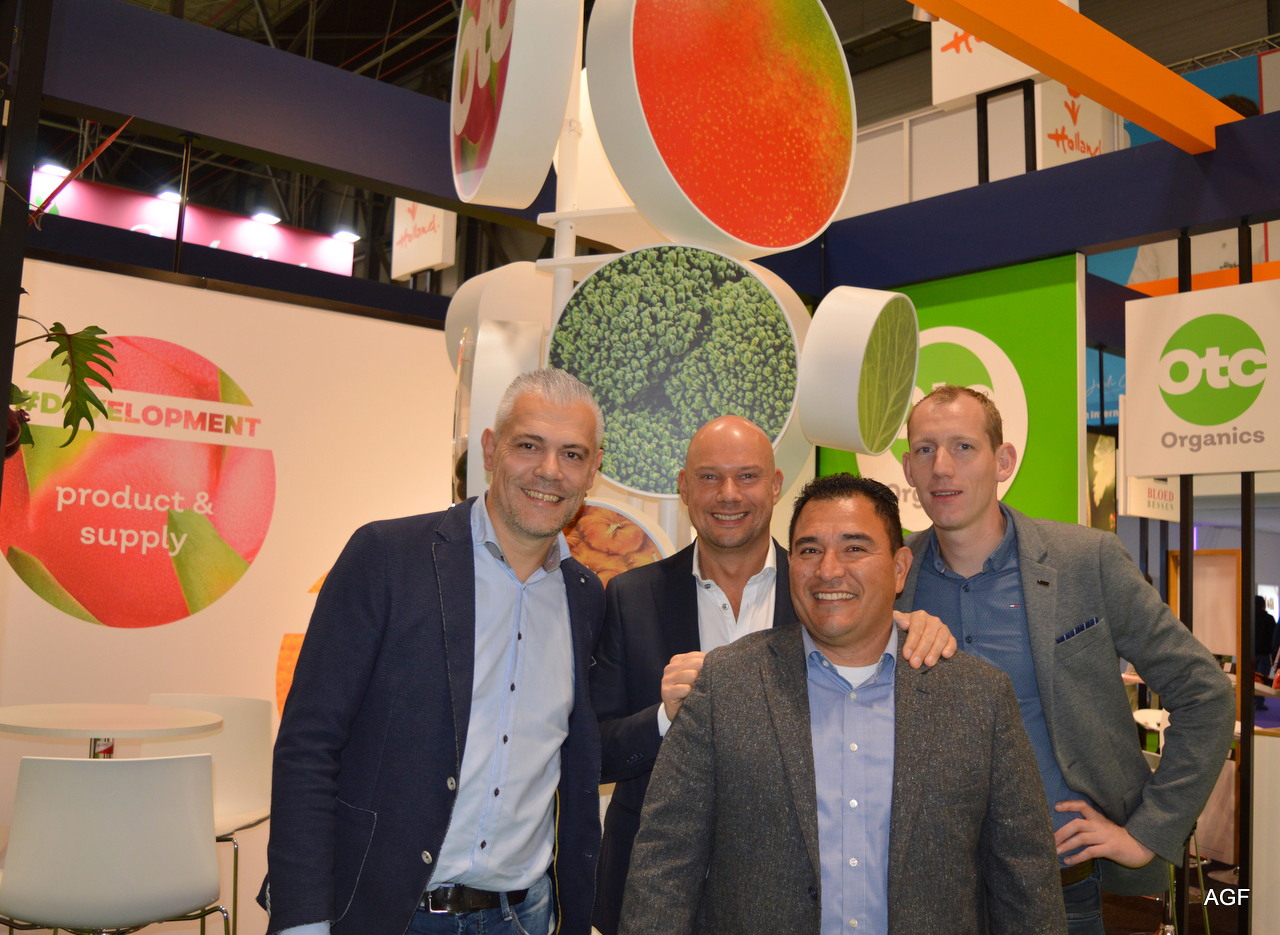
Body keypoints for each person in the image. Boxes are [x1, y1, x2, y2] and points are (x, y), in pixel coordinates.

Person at [619, 473, 1066, 935]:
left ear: (899, 568)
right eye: (809, 550)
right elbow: (664, 867)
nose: (828, 570)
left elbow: (1026, 882)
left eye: (854, 548)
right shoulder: (725, 685)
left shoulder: (978, 698)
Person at [259, 369, 607, 935]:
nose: (550, 470)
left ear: (593, 471)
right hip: (387, 914)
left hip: (525, 916)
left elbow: (578, 756)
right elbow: (308, 745)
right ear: (490, 450)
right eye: (528, 445)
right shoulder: (386, 557)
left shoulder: (586, 597)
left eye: (572, 454)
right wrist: (302, 919)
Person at [589, 417, 956, 935]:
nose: (729, 494)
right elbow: (594, 753)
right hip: (658, 889)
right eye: (710, 477)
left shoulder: (826, 590)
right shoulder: (632, 596)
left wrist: (921, 627)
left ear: (776, 485)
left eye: (748, 476)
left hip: (786, 893)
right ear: (684, 487)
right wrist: (664, 719)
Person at [897, 385, 1235, 932]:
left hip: (1067, 891)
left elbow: (1205, 693)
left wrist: (1147, 832)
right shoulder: (890, 576)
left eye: (963, 447)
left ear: (1003, 461)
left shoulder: (1086, 561)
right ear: (908, 469)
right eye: (924, 449)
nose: (941, 467)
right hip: (932, 895)